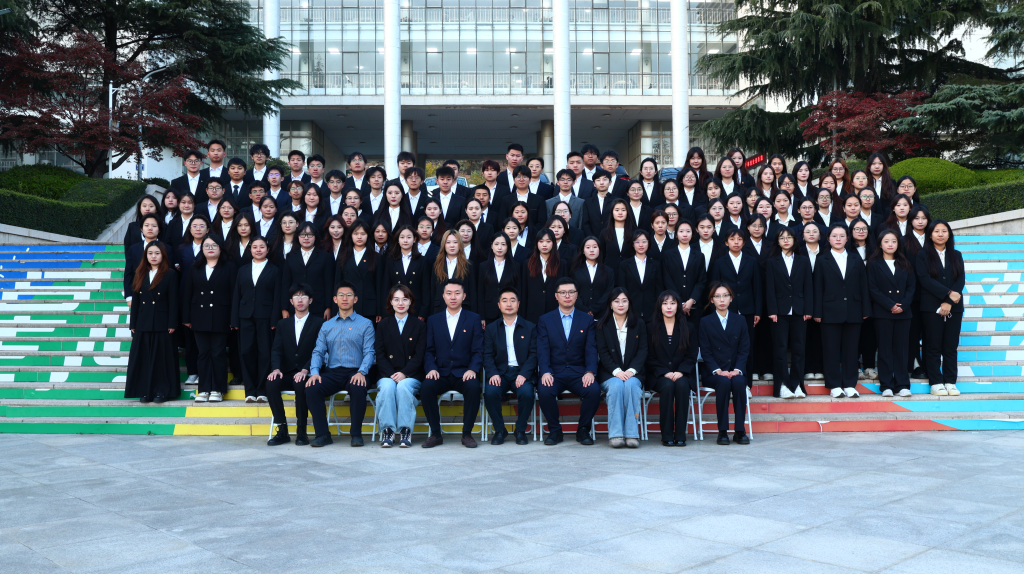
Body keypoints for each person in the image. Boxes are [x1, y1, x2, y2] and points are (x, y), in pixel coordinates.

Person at [303, 282, 376, 447]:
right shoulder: (327, 325)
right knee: (312, 388)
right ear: (335, 299)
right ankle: (323, 434)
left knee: (358, 387)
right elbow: (318, 351)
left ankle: (356, 434)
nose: (345, 298)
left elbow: (369, 352)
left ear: (355, 299)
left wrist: (362, 372)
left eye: (349, 295)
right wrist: (314, 372)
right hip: (333, 373)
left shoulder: (365, 324)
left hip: (356, 371)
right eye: (341, 295)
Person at [420, 278, 485, 448]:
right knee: (426, 387)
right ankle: (436, 434)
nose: (453, 297)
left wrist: (473, 369)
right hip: (440, 372)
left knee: (473, 388)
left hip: (464, 372)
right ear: (443, 296)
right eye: (449, 293)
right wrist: (431, 368)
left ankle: (467, 434)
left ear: (464, 296)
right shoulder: (433, 320)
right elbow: (429, 350)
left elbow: (478, 350)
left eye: (457, 293)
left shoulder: (473, 318)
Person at [536, 277, 600, 445]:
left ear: (577, 295)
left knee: (593, 391)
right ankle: (555, 431)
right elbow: (542, 349)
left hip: (579, 372)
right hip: (554, 372)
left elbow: (591, 348)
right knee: (544, 391)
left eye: (571, 292)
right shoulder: (545, 320)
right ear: (556, 296)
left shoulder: (586, 319)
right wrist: (545, 371)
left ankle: (583, 430)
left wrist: (590, 371)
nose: (567, 296)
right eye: (563, 292)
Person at [814, 224, 871, 398]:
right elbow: (818, 287)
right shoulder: (822, 260)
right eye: (834, 236)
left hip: (854, 310)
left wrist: (866, 309)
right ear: (828, 238)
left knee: (851, 350)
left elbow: (863, 285)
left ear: (847, 238)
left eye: (842, 236)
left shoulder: (855, 258)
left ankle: (849, 384)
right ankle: (834, 385)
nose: (838, 239)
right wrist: (817, 312)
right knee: (830, 350)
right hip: (829, 311)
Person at [266, 283, 326, 446]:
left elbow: (319, 350)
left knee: (300, 384)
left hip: (307, 371)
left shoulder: (319, 323)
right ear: (291, 301)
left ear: (310, 300)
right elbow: (276, 349)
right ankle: (282, 430)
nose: (300, 300)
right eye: (296, 297)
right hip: (286, 371)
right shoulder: (283, 324)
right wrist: (276, 369)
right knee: (271, 383)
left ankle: (301, 431)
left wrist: (306, 369)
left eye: (304, 296)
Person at [182, 236, 236, 403]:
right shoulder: (195, 267)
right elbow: (188, 293)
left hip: (221, 316)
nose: (210, 248)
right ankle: (204, 389)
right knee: (203, 353)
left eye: (214, 245)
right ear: (202, 249)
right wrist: (186, 317)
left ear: (220, 248)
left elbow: (234, 294)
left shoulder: (229, 267)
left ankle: (218, 390)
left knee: (218, 353)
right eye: (206, 246)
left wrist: (233, 319)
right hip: (199, 316)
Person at [125, 242, 179, 403]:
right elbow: (136, 300)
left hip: (163, 322)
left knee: (162, 359)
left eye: (157, 253)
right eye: (150, 253)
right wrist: (133, 324)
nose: (153, 256)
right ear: (145, 256)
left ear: (163, 255)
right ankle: (144, 391)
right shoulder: (140, 273)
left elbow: (174, 301)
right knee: (143, 358)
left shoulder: (170, 274)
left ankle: (161, 392)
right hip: (143, 321)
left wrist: (172, 323)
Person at [231, 237, 284, 403]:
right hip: (245, 316)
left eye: (262, 247)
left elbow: (277, 297)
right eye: (255, 247)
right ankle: (249, 390)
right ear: (250, 250)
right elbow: (237, 295)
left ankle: (262, 390)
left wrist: (275, 320)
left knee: (265, 353)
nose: (258, 250)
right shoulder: (243, 270)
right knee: (246, 352)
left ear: (268, 249)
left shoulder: (275, 270)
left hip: (266, 317)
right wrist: (234, 320)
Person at [482, 287, 538, 445]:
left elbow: (534, 354)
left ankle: (520, 430)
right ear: (499, 305)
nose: (509, 304)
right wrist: (493, 373)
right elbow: (487, 354)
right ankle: (500, 430)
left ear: (518, 304)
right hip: (500, 373)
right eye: (504, 300)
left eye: (512, 300)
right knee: (490, 393)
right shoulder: (491, 328)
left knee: (527, 393)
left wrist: (524, 374)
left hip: (521, 373)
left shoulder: (530, 327)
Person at [374, 284, 427, 448]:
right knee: (387, 387)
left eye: (405, 299)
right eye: (396, 299)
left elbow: (419, 355)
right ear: (391, 302)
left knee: (403, 387)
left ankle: (405, 430)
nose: (400, 303)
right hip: (388, 373)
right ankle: (388, 431)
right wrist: (392, 374)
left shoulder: (419, 325)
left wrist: (404, 373)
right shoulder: (383, 325)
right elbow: (380, 354)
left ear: (410, 301)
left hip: (412, 374)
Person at [916, 220, 965, 396]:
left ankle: (951, 381)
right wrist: (947, 294)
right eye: (936, 231)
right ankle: (936, 382)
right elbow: (925, 280)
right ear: (930, 235)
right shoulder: (922, 255)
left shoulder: (956, 255)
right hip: (931, 306)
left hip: (954, 307)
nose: (940, 234)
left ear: (949, 234)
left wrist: (949, 302)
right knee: (933, 345)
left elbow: (960, 280)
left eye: (944, 231)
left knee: (950, 346)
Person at [699, 282, 751, 445]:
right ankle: (722, 431)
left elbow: (744, 349)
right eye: (717, 296)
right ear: (711, 300)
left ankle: (740, 430)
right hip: (713, 372)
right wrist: (717, 370)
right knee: (723, 382)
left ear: (731, 298)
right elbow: (705, 351)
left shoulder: (740, 320)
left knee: (739, 382)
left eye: (725, 296)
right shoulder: (705, 321)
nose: (722, 300)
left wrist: (737, 369)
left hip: (735, 370)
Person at [765, 227, 814, 398]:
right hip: (779, 312)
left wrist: (808, 309)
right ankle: (782, 386)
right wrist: (772, 310)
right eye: (782, 238)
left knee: (799, 350)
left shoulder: (803, 260)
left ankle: (797, 384)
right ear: (777, 242)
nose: (786, 240)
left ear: (795, 240)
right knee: (780, 350)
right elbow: (769, 288)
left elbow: (808, 286)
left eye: (789, 237)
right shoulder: (772, 262)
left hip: (800, 311)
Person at [867, 230, 916, 398]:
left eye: (894, 241)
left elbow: (911, 287)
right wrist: (890, 305)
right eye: (886, 241)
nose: (890, 244)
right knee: (885, 349)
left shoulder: (906, 263)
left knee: (901, 350)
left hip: (903, 312)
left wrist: (903, 305)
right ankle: (886, 385)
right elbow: (872, 288)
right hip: (883, 312)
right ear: (880, 244)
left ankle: (902, 385)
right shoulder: (873, 264)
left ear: (898, 244)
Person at [596, 288, 647, 448]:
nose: (621, 304)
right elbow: (603, 352)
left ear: (629, 303)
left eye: (624, 301)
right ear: (610, 304)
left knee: (631, 386)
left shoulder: (639, 323)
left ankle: (631, 434)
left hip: (634, 373)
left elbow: (643, 350)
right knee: (617, 386)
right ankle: (616, 434)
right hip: (609, 373)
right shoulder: (602, 325)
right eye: (616, 301)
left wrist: (631, 371)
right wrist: (617, 372)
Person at [648, 290, 698, 446]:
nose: (669, 307)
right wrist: (665, 372)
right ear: (659, 306)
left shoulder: (688, 327)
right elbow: (648, 357)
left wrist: (681, 371)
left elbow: (691, 355)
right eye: (665, 303)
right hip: (659, 375)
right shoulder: (650, 328)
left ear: (678, 306)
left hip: (682, 373)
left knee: (682, 386)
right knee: (668, 386)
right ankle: (667, 435)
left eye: (672, 303)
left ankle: (680, 434)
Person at [281, 222, 334, 321]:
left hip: (318, 306)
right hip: (295, 306)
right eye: (302, 235)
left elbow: (329, 284)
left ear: (315, 236)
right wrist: (284, 308)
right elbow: (285, 284)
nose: (306, 238)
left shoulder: (325, 257)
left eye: (310, 235)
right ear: (298, 237)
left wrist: (328, 307)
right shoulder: (290, 257)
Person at [662, 220, 706, 333]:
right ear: (676, 234)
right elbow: (667, 280)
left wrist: (691, 300)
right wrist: (680, 302)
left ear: (692, 234)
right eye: (681, 231)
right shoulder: (668, 255)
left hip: (695, 307)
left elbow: (701, 281)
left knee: (694, 336)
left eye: (688, 231)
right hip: (673, 306)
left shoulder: (699, 256)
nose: (685, 234)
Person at [381, 226, 432, 320]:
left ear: (414, 239)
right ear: (398, 240)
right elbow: (386, 287)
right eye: (402, 237)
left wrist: (423, 312)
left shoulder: (423, 261)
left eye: (409, 237)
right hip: (395, 307)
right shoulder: (390, 261)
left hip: (416, 308)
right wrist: (385, 312)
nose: (405, 240)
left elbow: (426, 289)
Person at [334, 221, 381, 321]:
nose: (359, 237)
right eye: (356, 233)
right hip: (347, 306)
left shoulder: (376, 257)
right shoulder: (342, 257)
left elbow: (380, 285)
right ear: (351, 235)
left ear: (368, 236)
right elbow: (337, 283)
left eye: (363, 234)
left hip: (369, 306)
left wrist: (379, 311)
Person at [617, 230, 664, 323]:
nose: (641, 245)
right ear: (633, 244)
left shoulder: (655, 265)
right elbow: (622, 288)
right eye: (637, 242)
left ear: (649, 243)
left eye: (644, 241)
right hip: (632, 309)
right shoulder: (624, 265)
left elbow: (659, 289)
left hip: (651, 310)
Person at [521, 229, 566, 324]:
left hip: (555, 312)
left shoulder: (562, 264)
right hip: (532, 314)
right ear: (536, 243)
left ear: (553, 243)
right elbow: (524, 292)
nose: (544, 245)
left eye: (548, 241)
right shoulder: (527, 264)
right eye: (541, 241)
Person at [478, 232, 521, 324]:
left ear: (508, 246)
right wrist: (482, 317)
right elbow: (480, 292)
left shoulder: (515, 266)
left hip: (509, 310)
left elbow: (519, 290)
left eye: (503, 244)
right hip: (489, 311)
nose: (499, 247)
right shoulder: (483, 266)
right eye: (496, 244)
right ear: (492, 246)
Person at [581, 168, 614, 237]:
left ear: (610, 182)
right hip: (593, 239)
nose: (601, 182)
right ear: (594, 184)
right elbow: (585, 223)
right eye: (598, 180)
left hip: (611, 238)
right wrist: (591, 238)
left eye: (604, 179)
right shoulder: (588, 202)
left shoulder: (616, 201)